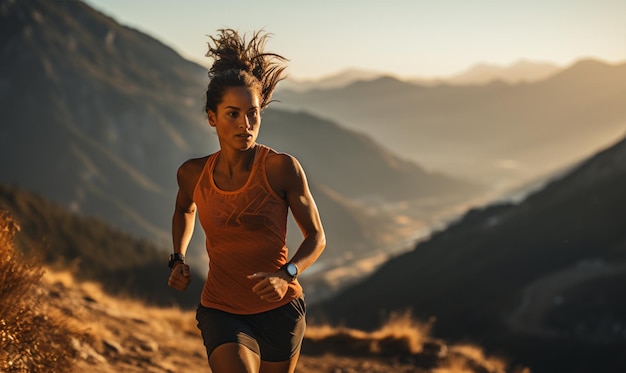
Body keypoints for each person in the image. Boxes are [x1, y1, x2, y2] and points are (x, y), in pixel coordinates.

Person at [167, 29, 326, 373]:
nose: (246, 124)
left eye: (253, 113)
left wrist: (287, 274)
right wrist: (177, 257)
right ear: (212, 118)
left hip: (280, 309)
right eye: (233, 114)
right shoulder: (193, 174)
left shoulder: (281, 168)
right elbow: (184, 208)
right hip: (220, 308)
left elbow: (316, 237)